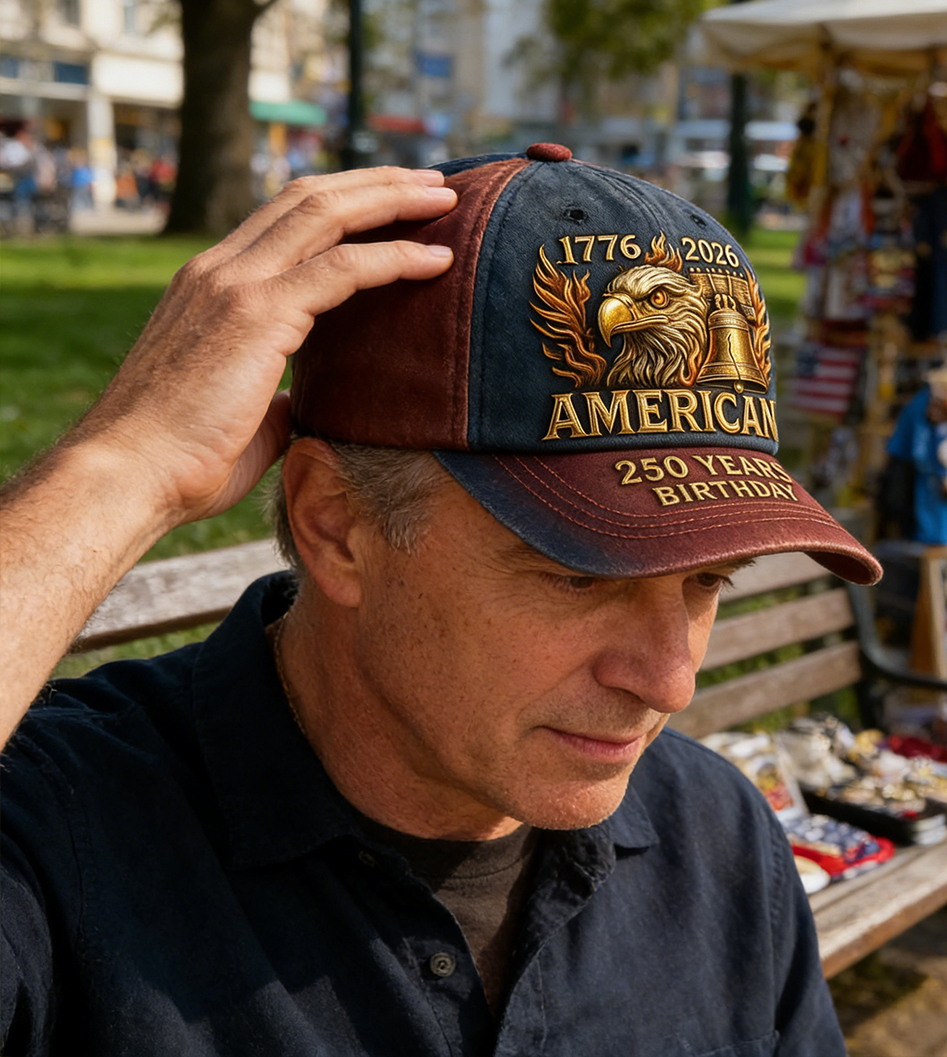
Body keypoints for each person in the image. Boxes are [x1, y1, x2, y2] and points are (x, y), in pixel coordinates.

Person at [0, 146, 881, 1057]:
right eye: (579, 576)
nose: (670, 681)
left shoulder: (718, 837)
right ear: (336, 526)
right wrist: (124, 466)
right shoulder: (60, 845)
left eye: (707, 581)